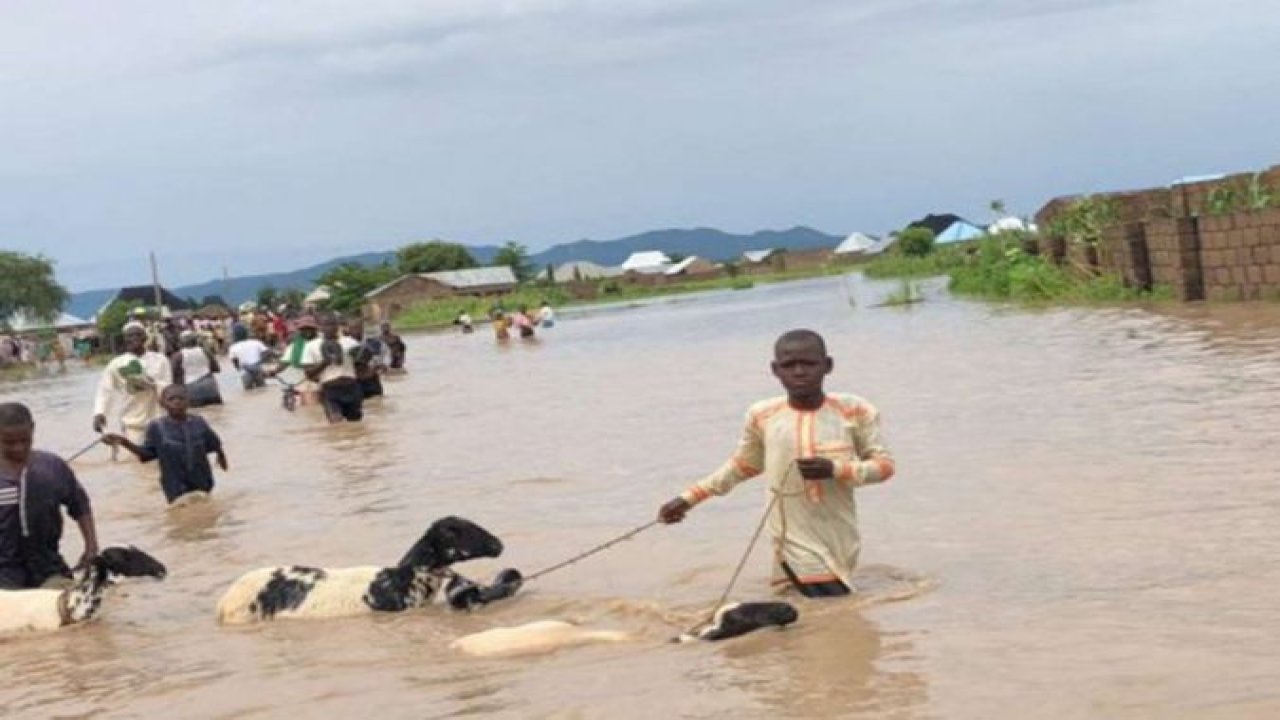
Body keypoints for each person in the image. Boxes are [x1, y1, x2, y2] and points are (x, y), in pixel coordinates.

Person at [656, 329, 895, 598]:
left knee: (811, 615)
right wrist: (688, 499)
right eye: (789, 365)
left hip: (840, 533)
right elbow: (742, 466)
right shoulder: (763, 415)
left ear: (827, 366)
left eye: (808, 364)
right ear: (775, 370)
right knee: (832, 602)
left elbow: (884, 466)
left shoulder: (855, 410)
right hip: (791, 536)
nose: (799, 372)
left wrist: (837, 469)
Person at [0, 403, 99, 590]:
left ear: (33, 429)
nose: (19, 448)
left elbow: (80, 505)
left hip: (48, 566)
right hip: (5, 572)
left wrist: (91, 547)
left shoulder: (52, 467)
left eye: (25, 440)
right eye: (9, 443)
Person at [103, 385, 227, 504]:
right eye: (171, 399)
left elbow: (214, 443)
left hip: (202, 483)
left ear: (188, 401)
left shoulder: (199, 422)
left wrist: (221, 456)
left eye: (181, 398)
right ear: (162, 403)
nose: (176, 402)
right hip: (176, 488)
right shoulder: (157, 427)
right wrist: (124, 441)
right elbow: (147, 454)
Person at [93, 322, 172, 444]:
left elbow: (169, 388)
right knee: (137, 458)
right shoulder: (116, 364)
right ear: (125, 339)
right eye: (130, 336)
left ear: (145, 337)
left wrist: (153, 384)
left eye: (138, 335)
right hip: (133, 422)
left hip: (160, 418)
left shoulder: (160, 360)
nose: (134, 338)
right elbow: (105, 391)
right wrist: (100, 413)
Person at [302, 314, 363, 423]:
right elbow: (308, 374)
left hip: (351, 388)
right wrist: (325, 362)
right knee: (336, 423)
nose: (330, 328)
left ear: (338, 326)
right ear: (320, 327)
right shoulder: (311, 346)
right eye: (326, 325)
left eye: (333, 324)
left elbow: (361, 367)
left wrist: (364, 359)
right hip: (329, 391)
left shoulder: (351, 342)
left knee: (355, 423)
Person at [171, 330, 223, 407]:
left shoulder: (177, 356)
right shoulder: (205, 351)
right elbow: (217, 368)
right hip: (210, 386)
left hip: (191, 389)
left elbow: (173, 374)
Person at [347, 320, 385, 399]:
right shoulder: (345, 344)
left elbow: (382, 360)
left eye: (357, 328)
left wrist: (376, 368)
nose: (354, 331)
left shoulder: (373, 342)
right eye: (351, 328)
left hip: (372, 380)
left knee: (377, 403)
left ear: (362, 329)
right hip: (355, 382)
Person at [227, 325, 271, 390]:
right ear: (246, 333)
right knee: (262, 387)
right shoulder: (256, 342)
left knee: (248, 390)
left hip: (245, 371)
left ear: (235, 335)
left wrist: (238, 368)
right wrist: (261, 361)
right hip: (258, 368)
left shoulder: (233, 347)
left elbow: (234, 360)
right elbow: (267, 352)